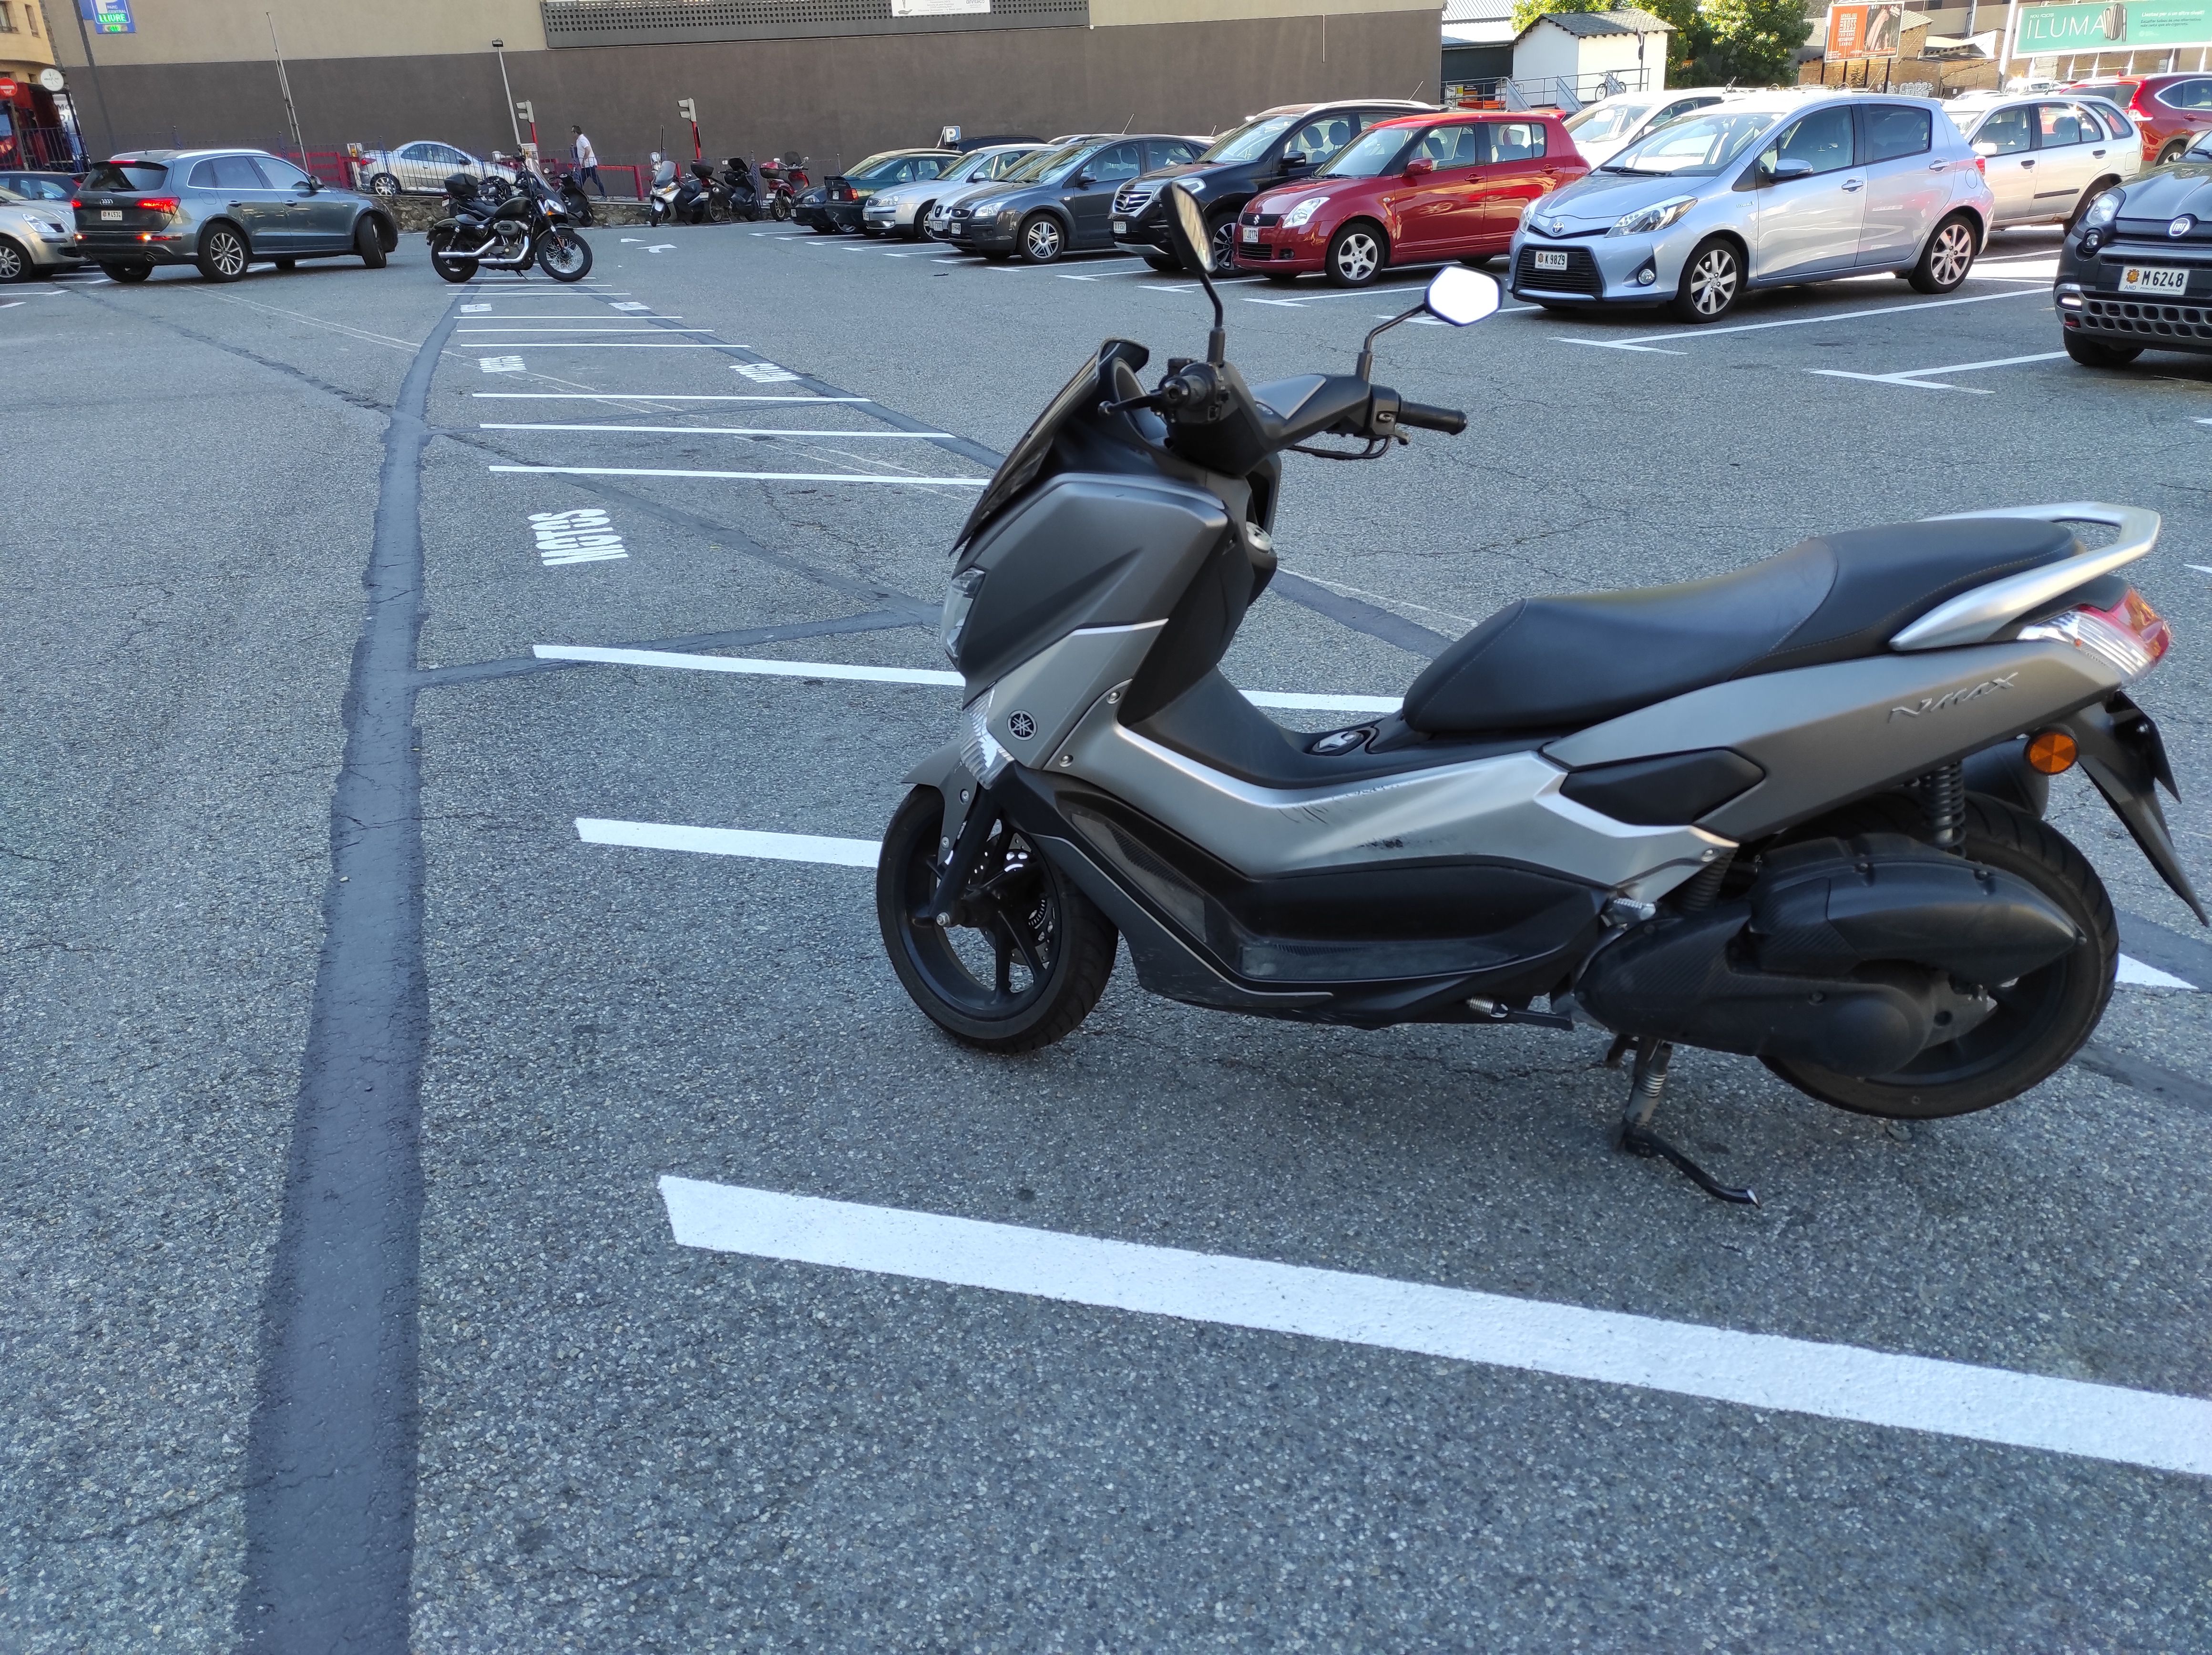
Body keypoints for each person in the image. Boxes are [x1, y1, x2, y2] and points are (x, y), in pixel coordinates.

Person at [571, 125, 605, 197]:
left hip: (589, 165)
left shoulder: (582, 140)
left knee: (596, 181)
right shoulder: (579, 140)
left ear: (576, 132)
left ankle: (604, 196)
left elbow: (588, 149)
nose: (572, 134)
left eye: (573, 132)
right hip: (586, 166)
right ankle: (578, 195)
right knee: (581, 181)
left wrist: (584, 160)